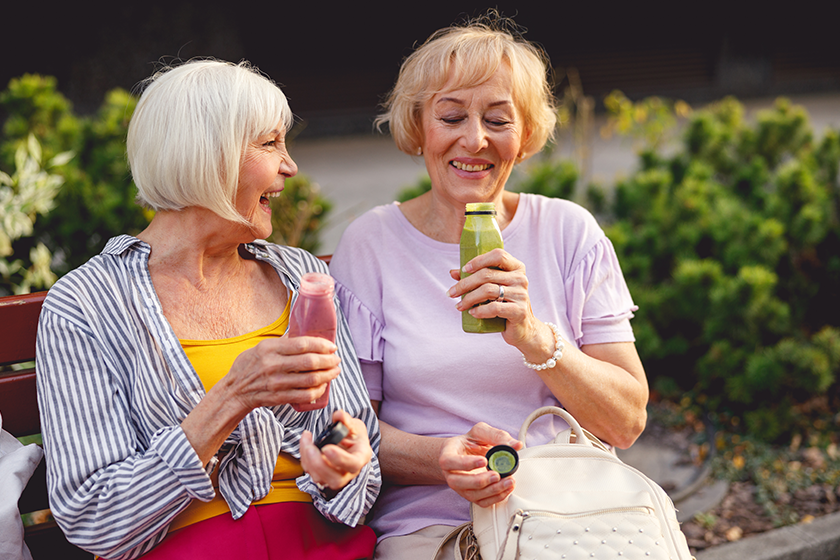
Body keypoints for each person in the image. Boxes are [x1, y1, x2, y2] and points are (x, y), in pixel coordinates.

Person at [329, 14, 649, 559]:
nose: (474, 139)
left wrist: (536, 338)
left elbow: (626, 422)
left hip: (568, 513)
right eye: (451, 116)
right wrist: (441, 460)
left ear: (524, 135)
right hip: (432, 525)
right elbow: (345, 431)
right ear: (419, 126)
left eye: (498, 120)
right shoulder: (371, 244)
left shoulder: (569, 232)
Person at [35, 59, 380, 560]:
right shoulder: (85, 304)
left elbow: (356, 436)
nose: (290, 166)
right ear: (206, 155)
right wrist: (231, 397)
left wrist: (342, 466)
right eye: (269, 144)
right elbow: (96, 518)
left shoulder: (299, 275)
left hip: (327, 543)